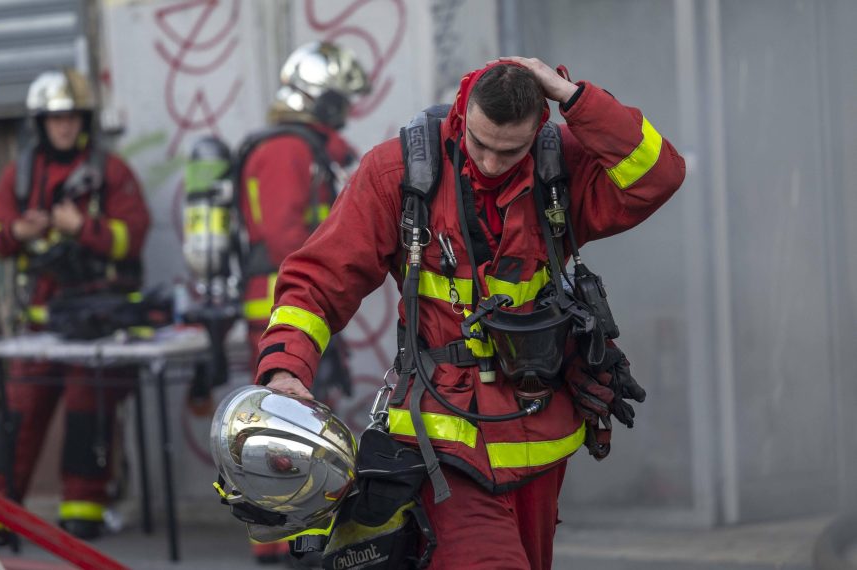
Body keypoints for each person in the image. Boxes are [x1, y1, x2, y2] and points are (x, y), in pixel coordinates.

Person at [252, 57, 686, 569]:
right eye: (480, 144)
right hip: (442, 440)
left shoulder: (560, 169)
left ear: (538, 129)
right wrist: (285, 371)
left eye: (511, 150)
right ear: (461, 116)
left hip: (539, 440)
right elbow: (319, 281)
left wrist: (573, 96)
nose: (493, 163)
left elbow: (657, 175)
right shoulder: (398, 174)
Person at [0, 68, 150, 540]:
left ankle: (82, 512)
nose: (65, 126)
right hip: (38, 327)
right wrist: (17, 231)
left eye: (72, 117)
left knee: (86, 413)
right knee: (16, 415)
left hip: (95, 325)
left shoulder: (111, 172)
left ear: (84, 121)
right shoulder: (21, 174)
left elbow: (133, 237)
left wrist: (82, 228)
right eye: (56, 119)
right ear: (41, 124)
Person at [235, 41, 370, 564]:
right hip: (280, 305)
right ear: (320, 99)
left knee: (298, 422)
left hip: (294, 302)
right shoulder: (287, 150)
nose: (345, 112)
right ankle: (275, 536)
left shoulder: (304, 147)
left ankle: (297, 528)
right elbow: (282, 236)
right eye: (340, 100)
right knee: (280, 425)